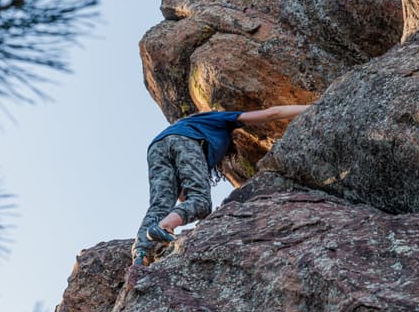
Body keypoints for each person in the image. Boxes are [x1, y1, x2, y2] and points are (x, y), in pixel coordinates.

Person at [132, 105, 310, 266]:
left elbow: (180, 194)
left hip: (156, 146)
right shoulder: (219, 119)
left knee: (159, 205)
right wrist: (313, 106)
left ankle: (140, 254)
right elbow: (272, 113)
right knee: (201, 202)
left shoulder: (191, 126)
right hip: (185, 141)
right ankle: (162, 226)